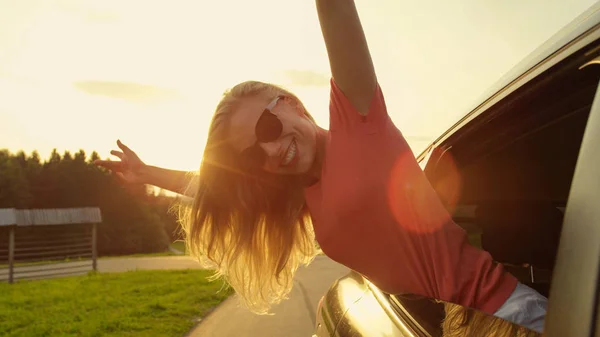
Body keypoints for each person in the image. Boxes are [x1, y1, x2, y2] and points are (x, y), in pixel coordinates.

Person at [95, 0, 547, 333]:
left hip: (510, 315)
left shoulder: (359, 121)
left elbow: (335, 12)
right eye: (255, 155)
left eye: (268, 129)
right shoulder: (299, 195)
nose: (270, 153)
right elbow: (216, 188)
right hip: (457, 323)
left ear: (290, 104)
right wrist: (150, 173)